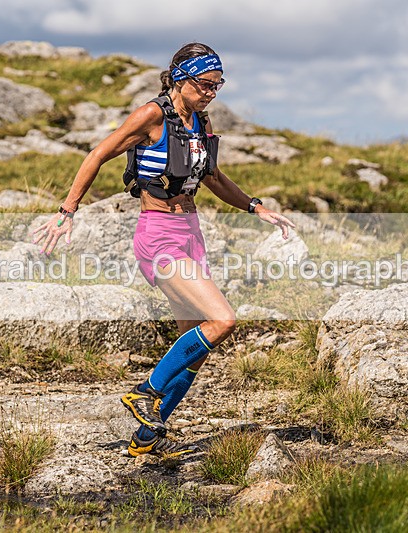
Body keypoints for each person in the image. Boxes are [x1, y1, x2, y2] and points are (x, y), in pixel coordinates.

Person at [33, 42, 295, 459]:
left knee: (192, 345)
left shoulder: (200, 121)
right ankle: (146, 393)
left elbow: (213, 176)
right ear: (179, 78)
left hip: (191, 233)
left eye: (217, 84)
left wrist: (254, 206)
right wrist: (67, 211)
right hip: (158, 235)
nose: (211, 92)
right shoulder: (152, 115)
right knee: (222, 320)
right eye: (204, 84)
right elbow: (97, 154)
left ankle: (148, 436)